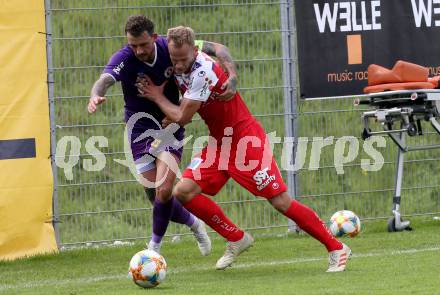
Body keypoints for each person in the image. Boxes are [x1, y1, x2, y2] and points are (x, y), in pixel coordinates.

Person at [137, 26, 352, 272]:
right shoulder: (183, 50)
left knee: (280, 201)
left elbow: (182, 117)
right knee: (184, 192)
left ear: (194, 52)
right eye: (173, 60)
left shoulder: (202, 72)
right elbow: (220, 48)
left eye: (183, 60)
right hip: (220, 142)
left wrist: (157, 97)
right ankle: (236, 237)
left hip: (245, 141)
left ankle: (336, 247)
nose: (177, 65)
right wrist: (232, 75)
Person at [87, 15, 239, 255]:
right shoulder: (124, 58)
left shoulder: (169, 48)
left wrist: (231, 75)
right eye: (133, 45)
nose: (138, 50)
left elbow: (219, 48)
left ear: (154, 38)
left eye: (143, 45)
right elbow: (105, 79)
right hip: (138, 129)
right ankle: (194, 223)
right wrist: (95, 94)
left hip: (169, 125)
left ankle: (153, 250)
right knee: (157, 197)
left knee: (164, 190)